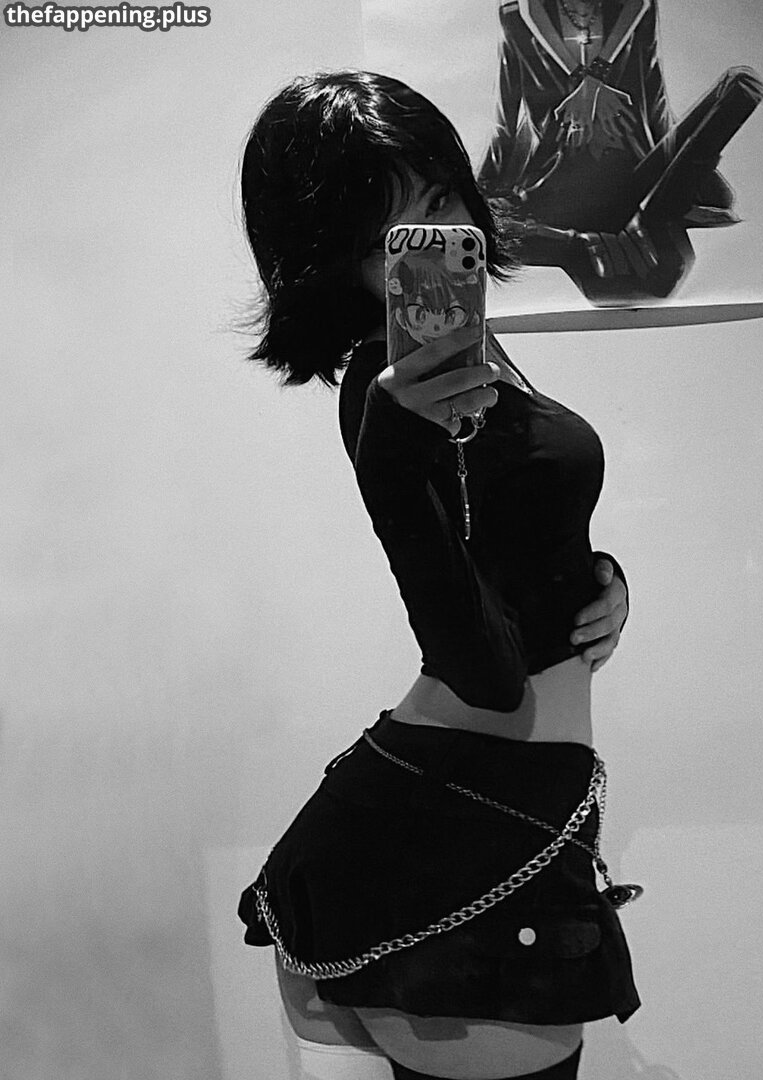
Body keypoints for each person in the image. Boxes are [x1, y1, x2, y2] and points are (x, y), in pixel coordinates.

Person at [236, 70, 641, 1080]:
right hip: (459, 827)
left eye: (442, 199)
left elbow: (513, 547)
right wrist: (389, 463)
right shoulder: (385, 397)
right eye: (393, 234)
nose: (441, 235)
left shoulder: (470, 357)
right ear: (329, 254)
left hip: (489, 804)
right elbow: (483, 671)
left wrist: (602, 581)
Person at [478, 0, 763, 302]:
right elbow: (507, 127)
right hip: (561, 193)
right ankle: (593, 245)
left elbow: (655, 106)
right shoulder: (516, 17)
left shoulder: (636, 11)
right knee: (490, 226)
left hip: (634, 180)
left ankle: (625, 237)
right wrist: (483, 195)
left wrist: (689, 173)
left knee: (741, 85)